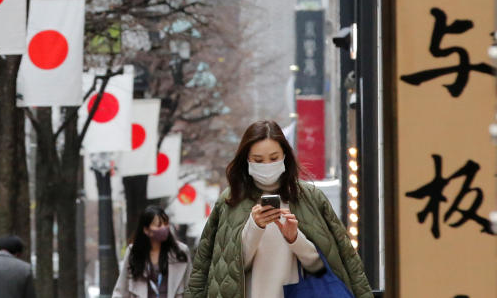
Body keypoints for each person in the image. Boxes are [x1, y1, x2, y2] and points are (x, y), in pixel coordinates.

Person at [185, 120, 373, 298]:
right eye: (258, 160)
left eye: (274, 158)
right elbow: (219, 269)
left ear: (285, 155)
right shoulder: (230, 200)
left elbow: (328, 266)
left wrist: (294, 238)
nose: (267, 166)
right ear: (246, 160)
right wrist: (255, 227)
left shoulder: (310, 198)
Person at [113, 205, 192, 298]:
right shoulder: (133, 253)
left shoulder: (181, 252)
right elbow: (121, 290)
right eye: (159, 225)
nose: (164, 228)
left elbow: (191, 288)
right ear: (146, 230)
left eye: (166, 223)